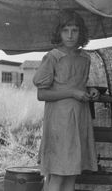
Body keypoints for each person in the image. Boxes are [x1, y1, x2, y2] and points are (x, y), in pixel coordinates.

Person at [33, 10, 99, 191]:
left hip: (79, 120)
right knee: (58, 175)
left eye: (75, 30)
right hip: (60, 123)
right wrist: (71, 92)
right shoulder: (53, 57)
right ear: (59, 33)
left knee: (71, 175)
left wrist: (89, 91)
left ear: (81, 33)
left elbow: (79, 85)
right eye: (65, 30)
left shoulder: (85, 58)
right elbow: (42, 94)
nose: (70, 35)